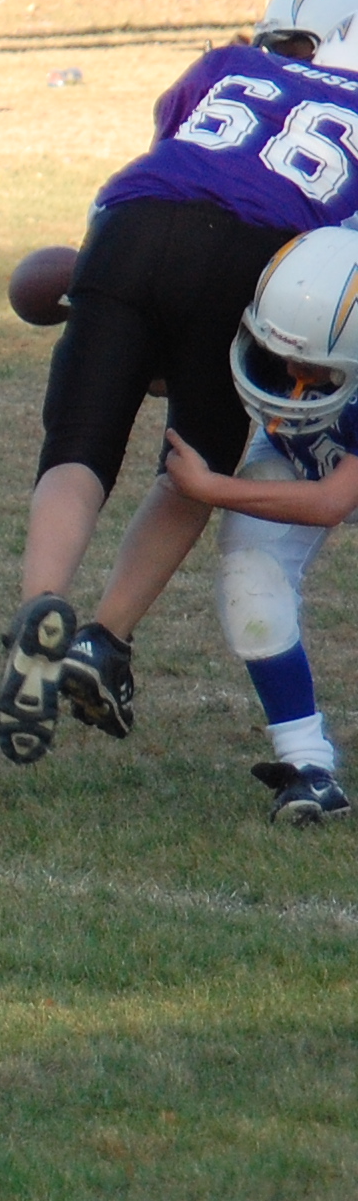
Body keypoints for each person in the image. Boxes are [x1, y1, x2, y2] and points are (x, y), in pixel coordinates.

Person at [0, 15, 358, 768]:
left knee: (78, 446)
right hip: (251, 248)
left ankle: (39, 607)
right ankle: (107, 637)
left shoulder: (235, 62)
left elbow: (175, 140)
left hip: (133, 218)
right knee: (193, 464)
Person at [155, 227, 358, 824]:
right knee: (250, 580)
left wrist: (211, 488)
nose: (290, 371)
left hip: (338, 475)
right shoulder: (308, 284)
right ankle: (308, 767)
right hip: (305, 456)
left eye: (313, 367)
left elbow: (333, 502)